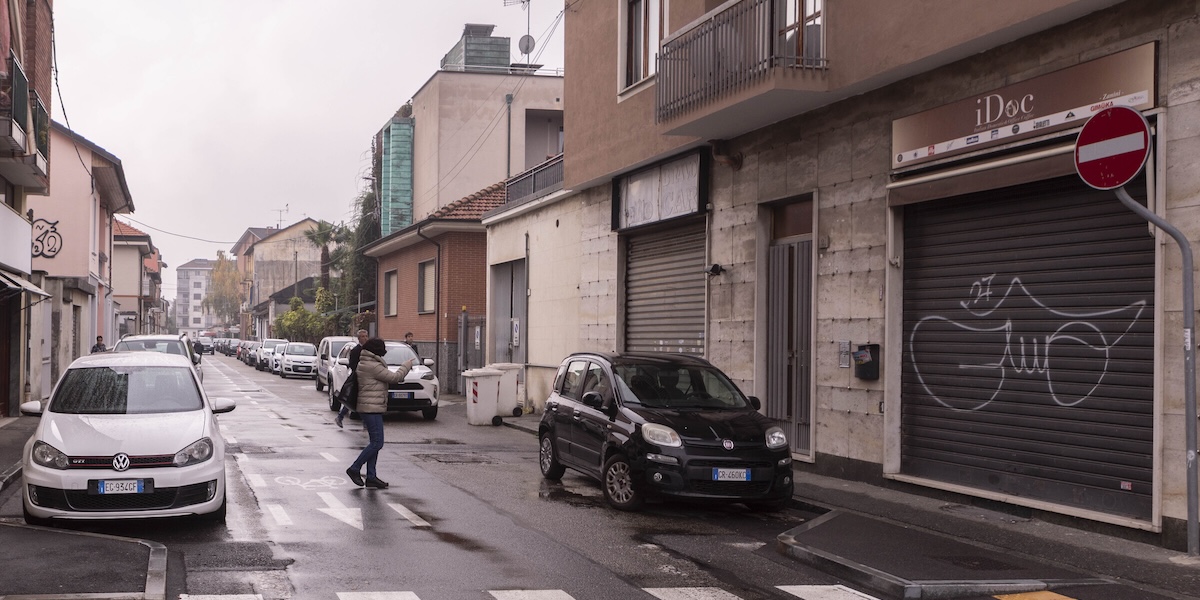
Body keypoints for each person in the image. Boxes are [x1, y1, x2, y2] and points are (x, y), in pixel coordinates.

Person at [346, 337, 414, 489]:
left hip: (371, 406)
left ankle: (371, 476)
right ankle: (355, 468)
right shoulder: (372, 365)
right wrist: (406, 366)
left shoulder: (367, 362)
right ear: (376, 350)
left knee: (374, 443)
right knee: (377, 443)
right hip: (371, 408)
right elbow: (395, 377)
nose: (384, 352)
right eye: (382, 349)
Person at [335, 329, 369, 428]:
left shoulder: (369, 349)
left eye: (366, 336)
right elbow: (352, 365)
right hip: (357, 378)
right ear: (359, 339)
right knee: (354, 400)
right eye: (363, 336)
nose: (365, 338)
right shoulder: (355, 350)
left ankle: (365, 423)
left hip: (367, 379)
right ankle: (341, 416)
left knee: (362, 401)